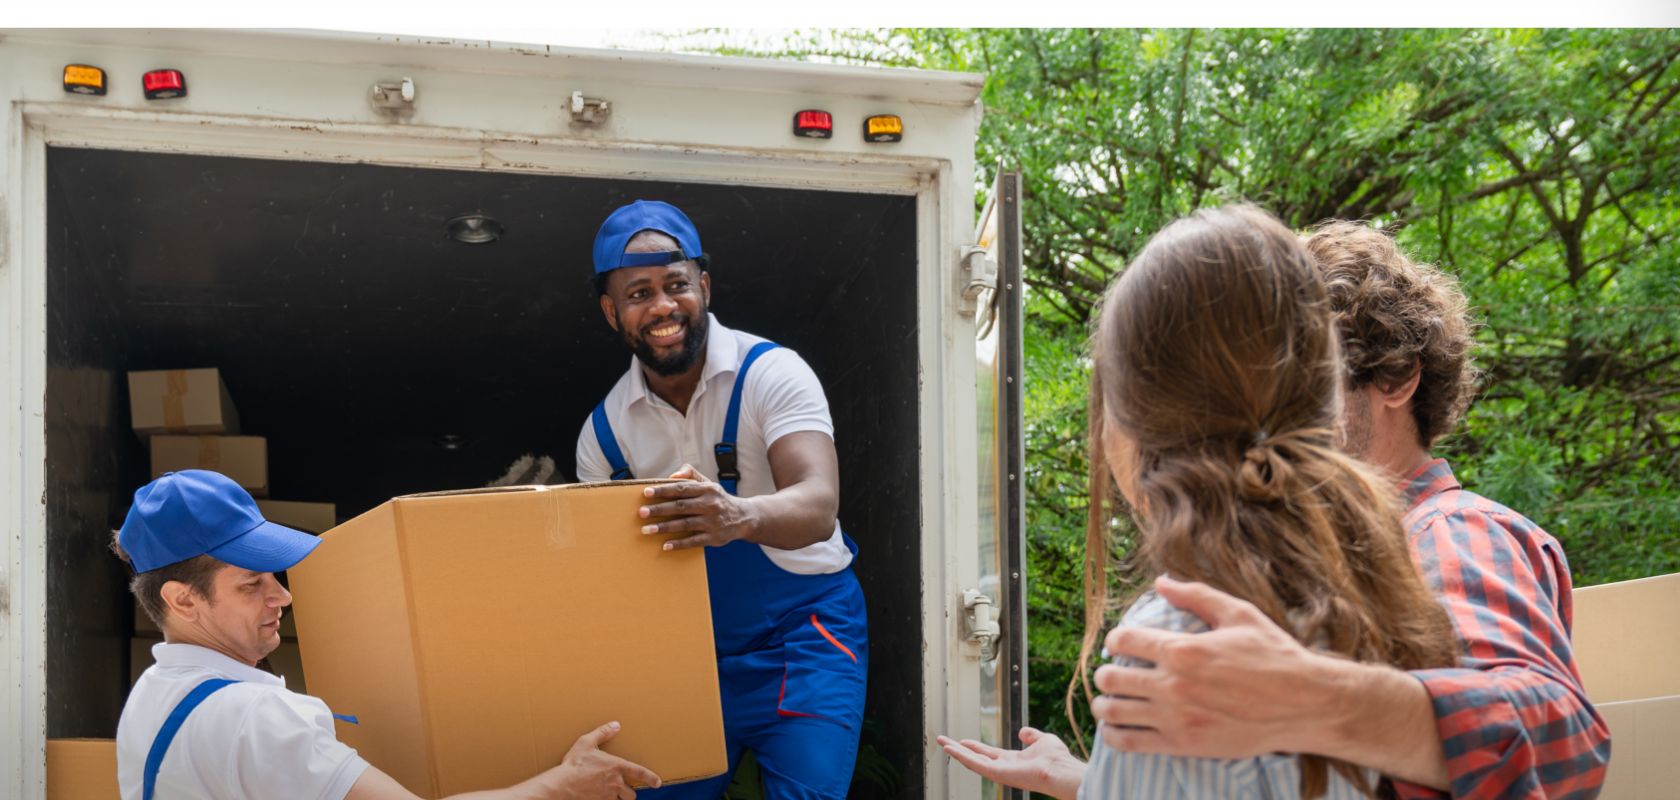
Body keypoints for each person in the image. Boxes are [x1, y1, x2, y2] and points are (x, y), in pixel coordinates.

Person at [941, 220, 1611, 798]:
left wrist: (1322, 701)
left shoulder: (1453, 530)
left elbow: (1566, 745)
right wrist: (1097, 779)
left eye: (1304, 371)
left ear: (1397, 378)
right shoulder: (1315, 568)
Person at [112, 469, 661, 800]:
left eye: (275, 577)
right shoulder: (251, 717)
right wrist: (563, 785)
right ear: (182, 600)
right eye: (251, 584)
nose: (282, 597)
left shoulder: (153, 693)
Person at [574, 200, 869, 799]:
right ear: (612, 312)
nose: (662, 306)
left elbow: (818, 506)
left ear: (703, 287)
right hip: (686, 661)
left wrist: (738, 515)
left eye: (676, 284)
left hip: (805, 639)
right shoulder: (602, 437)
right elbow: (610, 588)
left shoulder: (772, 373)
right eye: (639, 293)